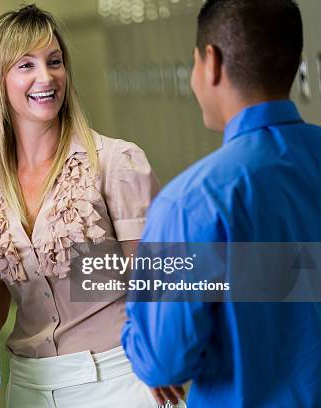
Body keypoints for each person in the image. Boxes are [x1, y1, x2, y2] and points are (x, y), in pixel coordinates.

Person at [121, 1, 321, 407]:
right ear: (295, 62)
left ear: (210, 63)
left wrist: (139, 332)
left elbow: (162, 361)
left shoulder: (190, 203)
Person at [0, 5, 159, 407]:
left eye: (54, 62)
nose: (46, 77)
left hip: (120, 377)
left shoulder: (116, 163)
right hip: (30, 385)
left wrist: (162, 365)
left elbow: (154, 285)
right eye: (26, 65)